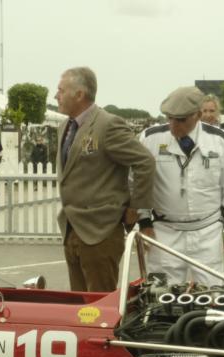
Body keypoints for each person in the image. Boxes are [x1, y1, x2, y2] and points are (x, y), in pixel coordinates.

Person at [55, 66, 154, 291]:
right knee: (78, 303)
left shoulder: (108, 125)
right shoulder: (64, 127)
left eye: (61, 90)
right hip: (72, 228)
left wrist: (136, 207)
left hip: (101, 232)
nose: (56, 96)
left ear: (79, 94)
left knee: (99, 305)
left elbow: (144, 161)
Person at [138, 87, 224, 287]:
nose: (173, 125)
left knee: (213, 293)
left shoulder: (220, 139)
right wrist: (144, 221)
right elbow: (135, 181)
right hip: (164, 232)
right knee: (160, 294)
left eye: (181, 120)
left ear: (197, 115)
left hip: (207, 232)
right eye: (170, 118)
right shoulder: (150, 139)